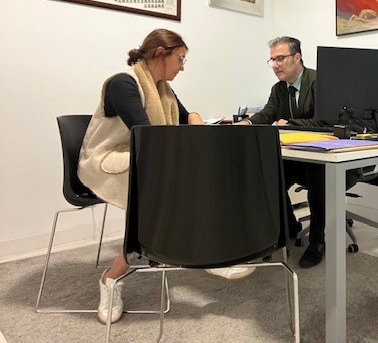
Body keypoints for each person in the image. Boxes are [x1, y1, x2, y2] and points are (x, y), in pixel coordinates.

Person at [78, 29, 253, 325]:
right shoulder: (123, 83)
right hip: (107, 160)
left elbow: (184, 117)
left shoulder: (163, 89)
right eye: (180, 59)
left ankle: (205, 251)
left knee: (181, 178)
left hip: (142, 156)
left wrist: (194, 117)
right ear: (160, 53)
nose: (182, 67)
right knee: (169, 186)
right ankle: (112, 279)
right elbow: (149, 137)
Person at [237, 36, 330, 268]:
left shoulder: (319, 81)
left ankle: (317, 241)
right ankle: (290, 226)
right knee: (267, 175)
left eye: (280, 58)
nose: (275, 65)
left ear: (297, 58)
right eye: (272, 60)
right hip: (296, 155)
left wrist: (289, 124)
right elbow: (267, 114)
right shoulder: (278, 89)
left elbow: (325, 122)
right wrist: (246, 124)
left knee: (317, 177)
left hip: (321, 157)